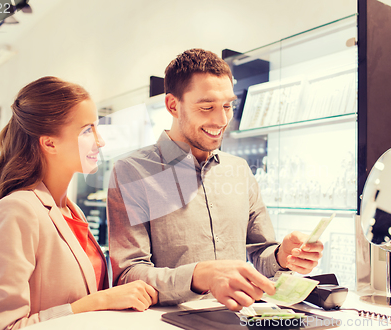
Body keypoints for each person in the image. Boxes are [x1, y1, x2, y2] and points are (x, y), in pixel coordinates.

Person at [107, 49, 324, 311]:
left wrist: (282, 256)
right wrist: (201, 275)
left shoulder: (239, 170)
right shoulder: (132, 172)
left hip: (241, 319)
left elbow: (261, 254)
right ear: (173, 105)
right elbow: (128, 275)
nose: (221, 120)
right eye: (207, 107)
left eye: (227, 106)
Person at [0, 76, 157, 330]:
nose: (100, 141)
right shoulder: (15, 211)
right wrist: (98, 301)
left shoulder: (70, 211)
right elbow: (0, 327)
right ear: (49, 143)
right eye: (87, 130)